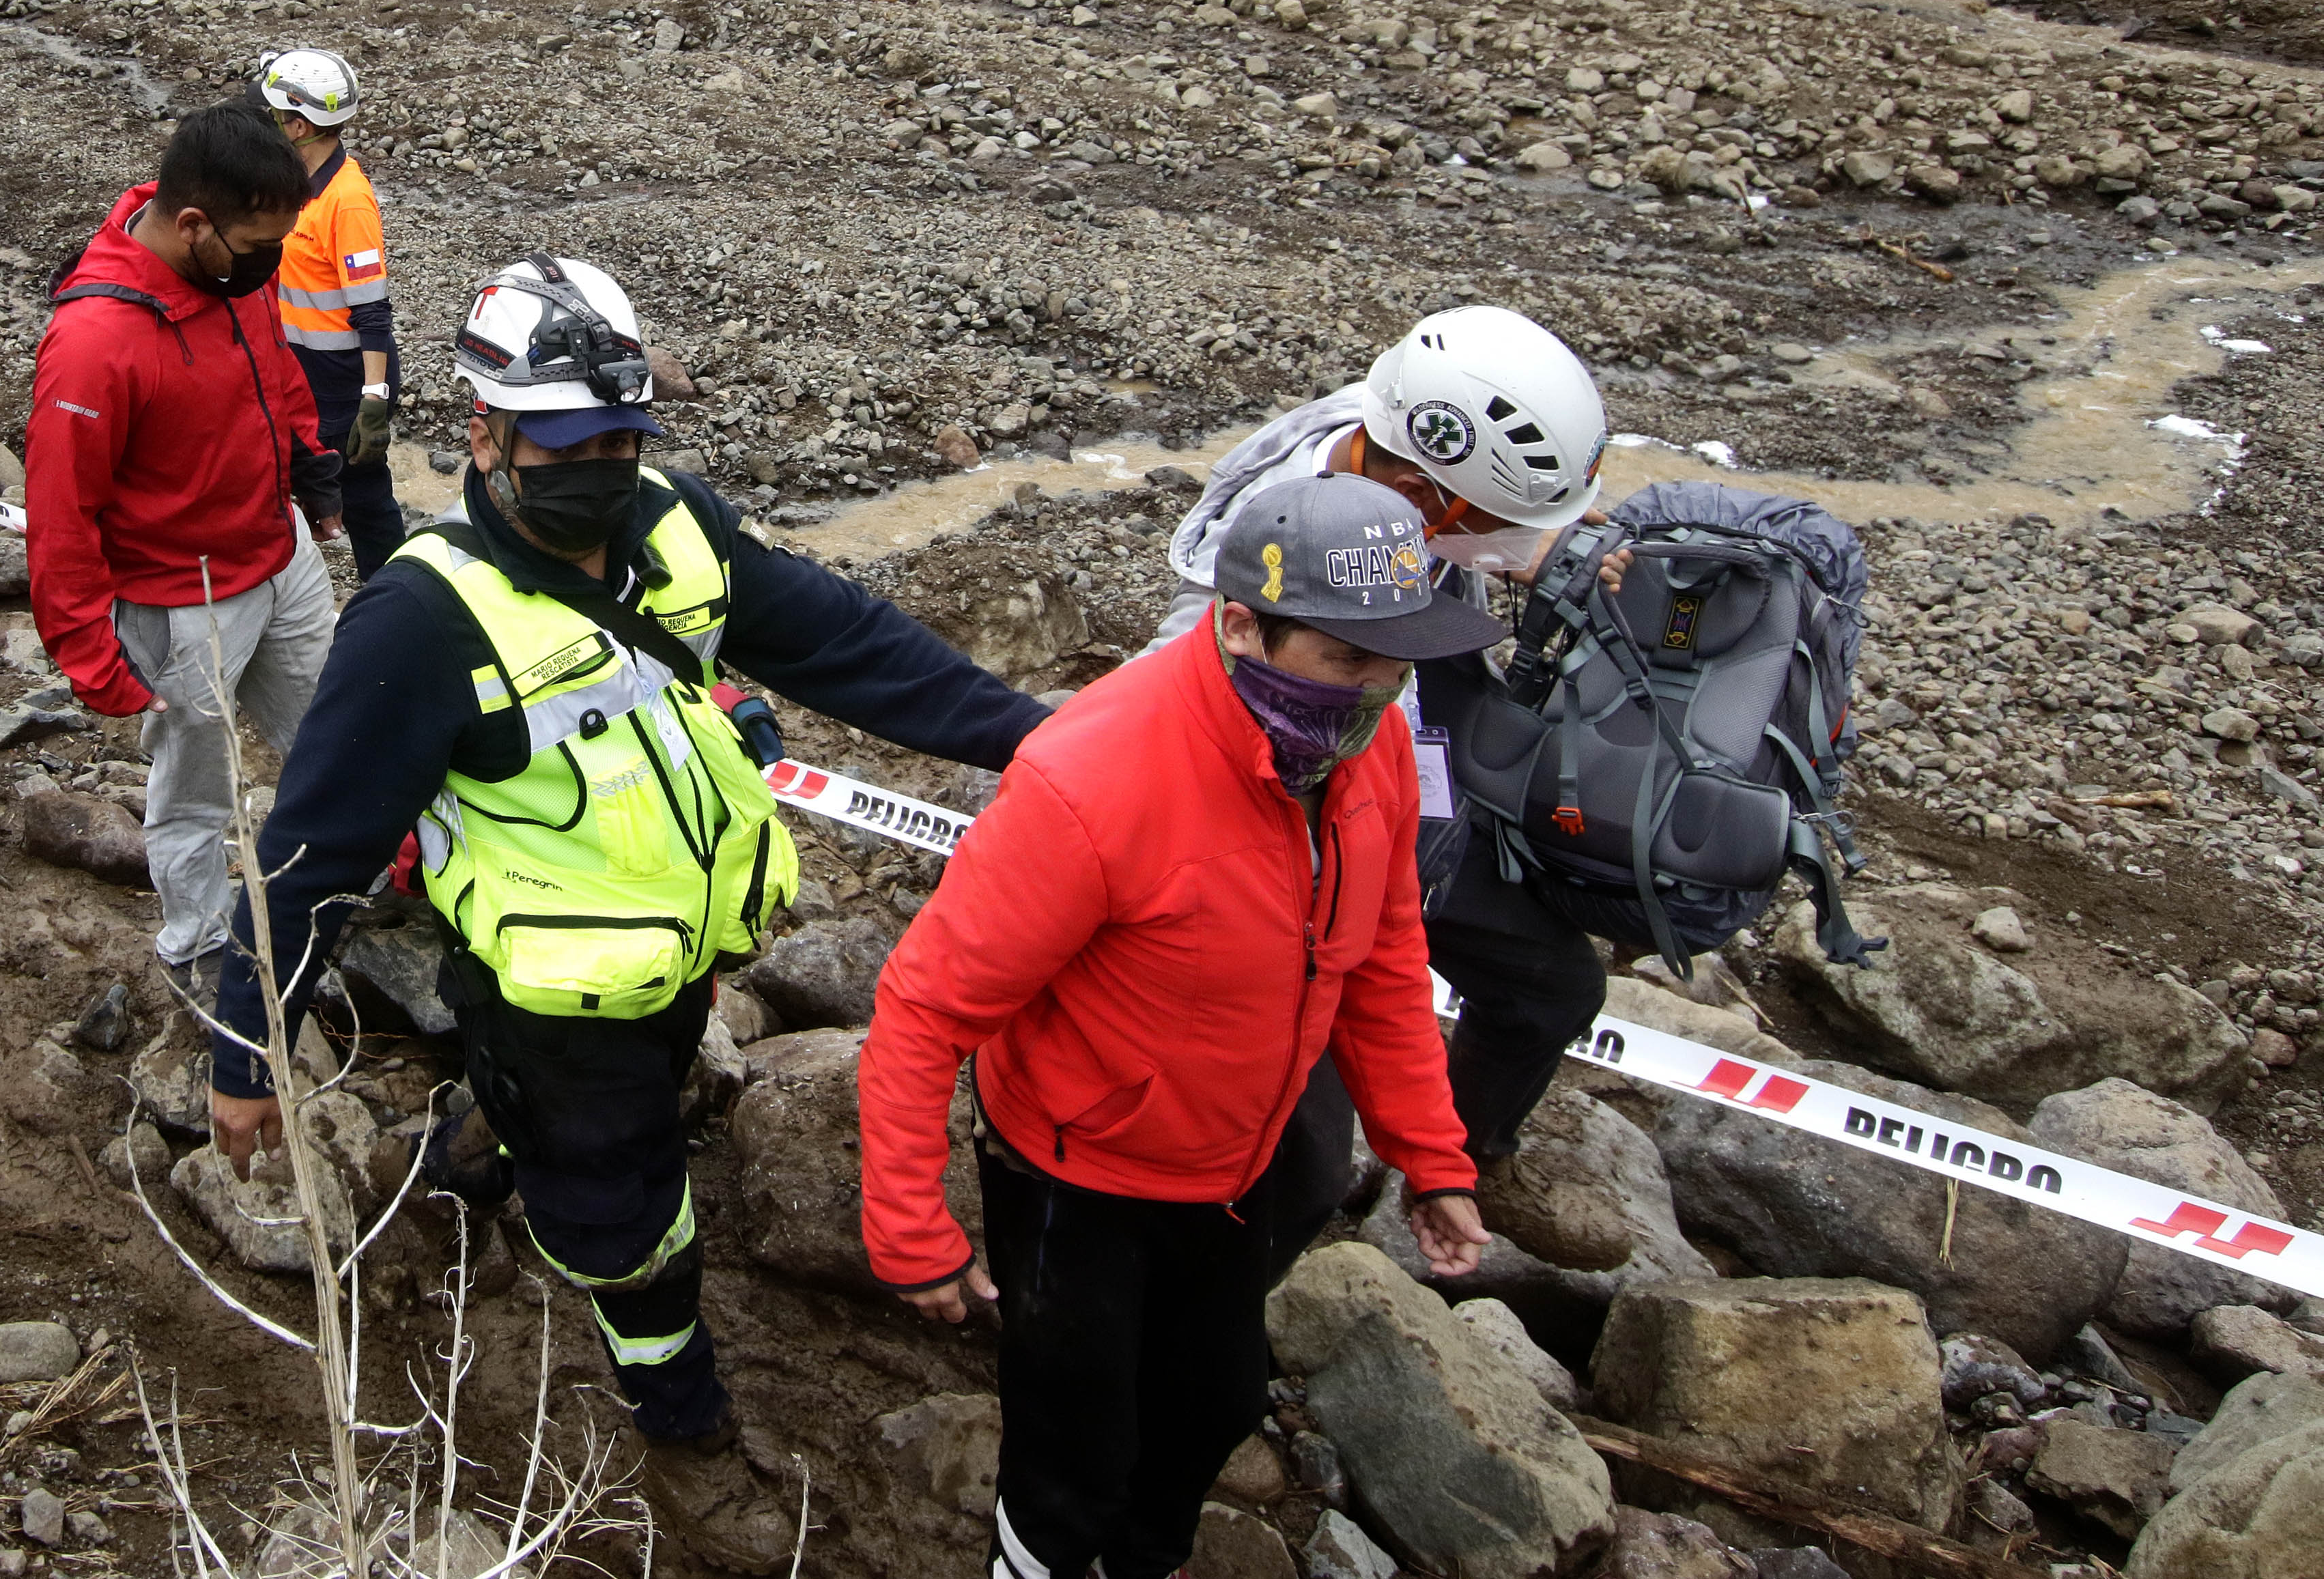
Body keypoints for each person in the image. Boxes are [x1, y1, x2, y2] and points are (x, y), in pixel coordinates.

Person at [205, 257, 1051, 1571]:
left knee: (608, 1113)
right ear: (485, 433)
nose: (599, 470)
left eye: (618, 440)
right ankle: (677, 1411)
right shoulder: (420, 619)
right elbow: (312, 850)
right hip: (551, 997)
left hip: (677, 952)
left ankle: (483, 1135)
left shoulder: (676, 525)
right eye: (565, 447)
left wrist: (1048, 744)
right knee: (629, 1219)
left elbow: (849, 644)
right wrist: (246, 1049)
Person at [862, 473, 1492, 1579]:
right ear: (1240, 625)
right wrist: (909, 1227)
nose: (1380, 688)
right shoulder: (1091, 779)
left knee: (1214, 1402)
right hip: (1076, 1174)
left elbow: (1384, 953)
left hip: (1232, 1160)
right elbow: (924, 1007)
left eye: (1397, 660)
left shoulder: (1366, 746)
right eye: (1349, 657)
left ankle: (1142, 1561)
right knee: (1073, 1445)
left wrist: (1429, 1154)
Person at [1148, 306, 1625, 1276]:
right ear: (1418, 498)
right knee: (1304, 1165)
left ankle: (1463, 1159)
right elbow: (1169, 713)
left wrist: (1528, 544)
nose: (1517, 544)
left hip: (1410, 810)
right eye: (1501, 525)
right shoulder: (1259, 581)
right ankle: (1213, 1295)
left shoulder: (1389, 435)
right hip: (1300, 860)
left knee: (1554, 985)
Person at [27, 101, 342, 992]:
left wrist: (310, 461)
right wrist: (89, 653)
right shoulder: (93, 344)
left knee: (337, 729)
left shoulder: (233, 273)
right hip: (184, 601)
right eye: (260, 247)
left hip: (280, 555)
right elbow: (59, 514)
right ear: (195, 223)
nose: (270, 264)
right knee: (196, 790)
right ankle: (199, 947)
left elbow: (273, 368)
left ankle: (356, 878)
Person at [258, 49, 401, 576]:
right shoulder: (294, 184)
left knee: (364, 499)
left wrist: (373, 400)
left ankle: (391, 596)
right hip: (300, 372)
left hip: (343, 383)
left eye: (274, 116)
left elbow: (372, 311)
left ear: (299, 126)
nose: (266, 123)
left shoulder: (348, 202)